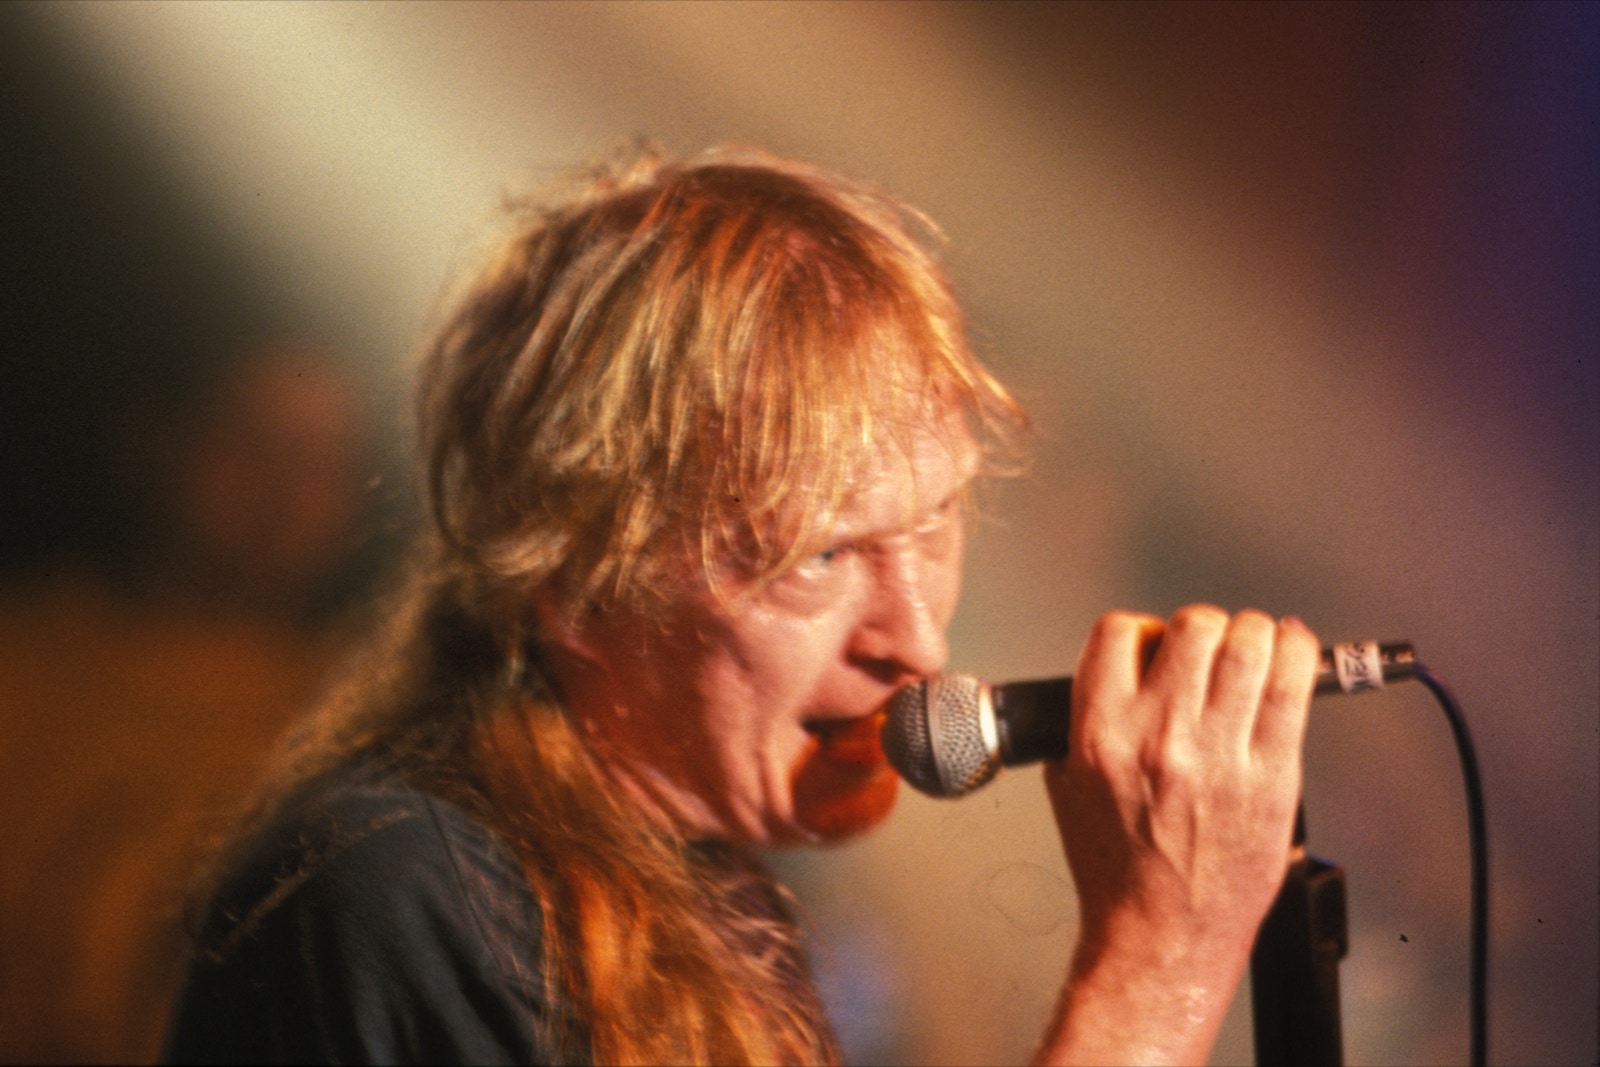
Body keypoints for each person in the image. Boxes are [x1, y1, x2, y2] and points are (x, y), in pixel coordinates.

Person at [162, 147, 1318, 1066]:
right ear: (574, 584)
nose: (916, 641)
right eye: (821, 553)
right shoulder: (404, 888)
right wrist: (1155, 965)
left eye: (936, 521)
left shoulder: (729, 883)